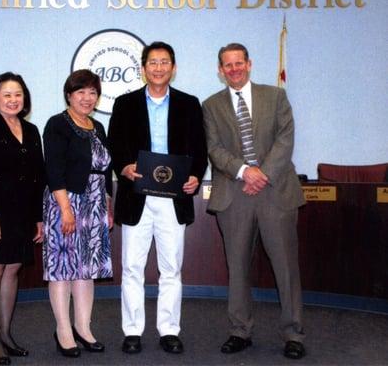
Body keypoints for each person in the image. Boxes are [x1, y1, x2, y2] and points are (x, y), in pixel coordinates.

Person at [202, 43, 306, 359]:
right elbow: (214, 148)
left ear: (249, 64)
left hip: (276, 192)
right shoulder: (211, 106)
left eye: (239, 63)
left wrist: (262, 174)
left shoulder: (276, 97)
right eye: (227, 65)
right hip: (235, 196)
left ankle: (293, 333)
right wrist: (245, 171)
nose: (233, 69)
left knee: (285, 267)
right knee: (237, 268)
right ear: (220, 70)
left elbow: (285, 139)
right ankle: (240, 331)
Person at [108, 41, 208, 355]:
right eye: (153, 62)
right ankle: (133, 331)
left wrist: (194, 174)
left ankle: (169, 330)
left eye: (165, 62)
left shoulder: (189, 104)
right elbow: (114, 145)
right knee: (132, 268)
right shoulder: (125, 104)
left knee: (171, 268)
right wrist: (123, 167)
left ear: (173, 68)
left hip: (173, 197)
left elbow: (200, 149)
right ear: (143, 68)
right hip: (137, 194)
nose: (159, 67)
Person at [0, 72, 45, 365]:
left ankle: (6, 333)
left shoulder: (31, 129)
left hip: (23, 212)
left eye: (18, 94)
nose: (14, 100)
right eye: (7, 95)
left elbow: (38, 176)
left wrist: (38, 218)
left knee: (12, 269)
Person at [42, 69, 113, 358]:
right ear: (69, 95)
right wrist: (66, 210)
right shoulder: (57, 124)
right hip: (66, 202)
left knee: (86, 269)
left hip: (95, 205)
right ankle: (63, 331)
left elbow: (105, 170)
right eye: (81, 92)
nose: (87, 98)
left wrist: (107, 206)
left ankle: (83, 328)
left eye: (93, 92)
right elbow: (54, 170)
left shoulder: (98, 127)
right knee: (63, 270)